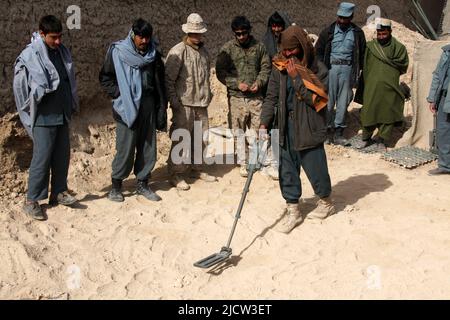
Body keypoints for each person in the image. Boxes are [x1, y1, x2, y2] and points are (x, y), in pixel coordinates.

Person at [260, 25, 336, 234]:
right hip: (285, 125)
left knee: (315, 166)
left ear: (302, 47)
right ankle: (293, 209)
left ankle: (326, 202)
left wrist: (296, 78)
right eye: (284, 50)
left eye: (292, 50)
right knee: (286, 168)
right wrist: (263, 123)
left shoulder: (319, 69)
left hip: (309, 125)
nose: (287, 55)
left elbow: (318, 101)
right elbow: (271, 97)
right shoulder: (279, 67)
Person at [13, 15, 79, 221]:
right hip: (43, 115)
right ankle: (32, 200)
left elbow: (68, 79)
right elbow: (20, 87)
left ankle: (58, 192)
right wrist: (29, 107)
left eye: (60, 36)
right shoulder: (30, 55)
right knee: (41, 158)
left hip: (61, 113)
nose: (58, 41)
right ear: (41, 34)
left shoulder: (61, 52)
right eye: (53, 37)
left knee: (62, 156)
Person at [99, 18, 167, 202]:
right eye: (141, 37)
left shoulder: (154, 54)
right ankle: (116, 186)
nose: (144, 41)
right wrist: (119, 94)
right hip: (126, 106)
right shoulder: (119, 52)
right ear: (133, 34)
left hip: (148, 104)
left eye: (147, 38)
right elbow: (105, 78)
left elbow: (160, 82)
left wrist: (161, 106)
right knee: (125, 147)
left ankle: (143, 183)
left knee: (148, 146)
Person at [216, 16, 273, 178]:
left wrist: (259, 82)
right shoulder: (227, 49)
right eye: (237, 34)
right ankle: (243, 162)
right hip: (237, 97)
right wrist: (236, 83)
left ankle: (260, 160)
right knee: (239, 131)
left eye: (243, 33)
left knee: (259, 129)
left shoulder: (260, 47)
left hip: (256, 97)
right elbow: (221, 73)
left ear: (249, 31)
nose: (241, 37)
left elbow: (265, 68)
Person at [165, 13, 217, 190]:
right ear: (188, 32)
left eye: (199, 33)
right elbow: (169, 80)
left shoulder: (204, 52)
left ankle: (197, 168)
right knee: (182, 139)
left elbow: (206, 77)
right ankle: (177, 174)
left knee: (201, 138)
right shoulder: (178, 51)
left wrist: (208, 95)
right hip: (184, 104)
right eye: (194, 33)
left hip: (201, 104)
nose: (197, 36)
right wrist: (175, 102)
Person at [315, 2, 366, 145]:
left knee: (343, 102)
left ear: (351, 17)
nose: (342, 21)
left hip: (347, 70)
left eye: (346, 18)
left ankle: (338, 133)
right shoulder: (328, 31)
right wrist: (321, 69)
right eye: (340, 17)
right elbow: (318, 51)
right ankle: (326, 131)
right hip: (330, 70)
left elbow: (362, 54)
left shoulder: (357, 33)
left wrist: (359, 74)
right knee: (328, 101)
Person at [359, 19, 409, 150]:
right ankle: (366, 138)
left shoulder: (399, 48)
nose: (381, 37)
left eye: (384, 34)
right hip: (372, 86)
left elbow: (403, 65)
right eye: (379, 34)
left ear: (390, 32)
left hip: (389, 88)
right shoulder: (370, 46)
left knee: (387, 113)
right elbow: (365, 65)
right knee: (369, 111)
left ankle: (382, 140)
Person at [427, 43, 450, 175]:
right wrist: (432, 98)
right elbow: (438, 75)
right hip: (444, 98)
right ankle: (445, 166)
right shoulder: (447, 52)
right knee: (443, 132)